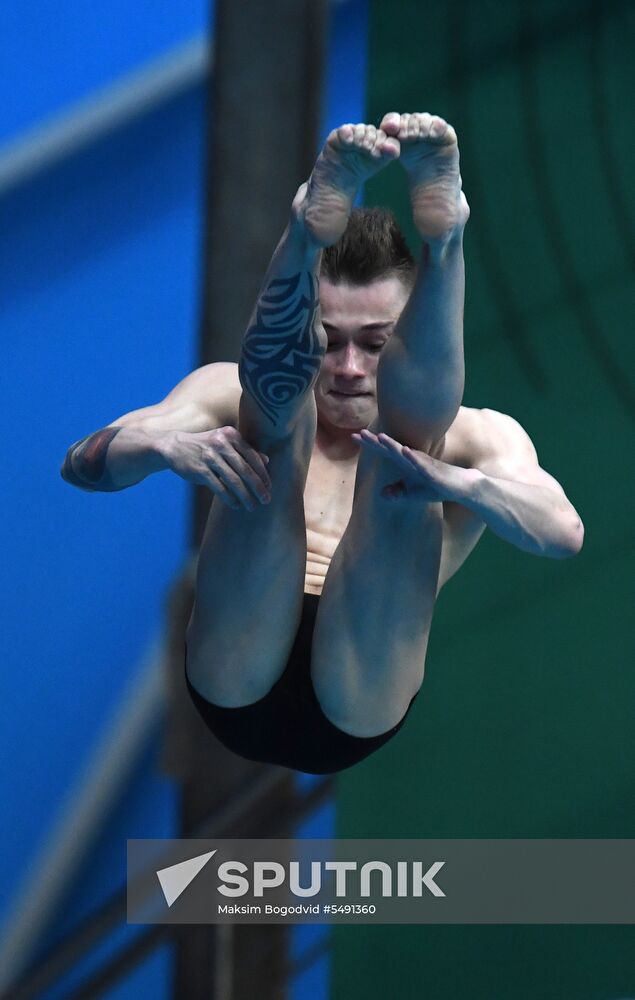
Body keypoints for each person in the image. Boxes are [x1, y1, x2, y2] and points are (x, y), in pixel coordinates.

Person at [61, 112, 584, 774]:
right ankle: (305, 236)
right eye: (328, 341)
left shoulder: (478, 436)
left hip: (361, 693)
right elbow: (83, 465)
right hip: (234, 673)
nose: (345, 368)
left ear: (408, 333)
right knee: (270, 434)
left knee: (407, 460)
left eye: (373, 344)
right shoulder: (225, 391)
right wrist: (159, 448)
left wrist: (454, 483)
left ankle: (445, 240)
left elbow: (561, 533)